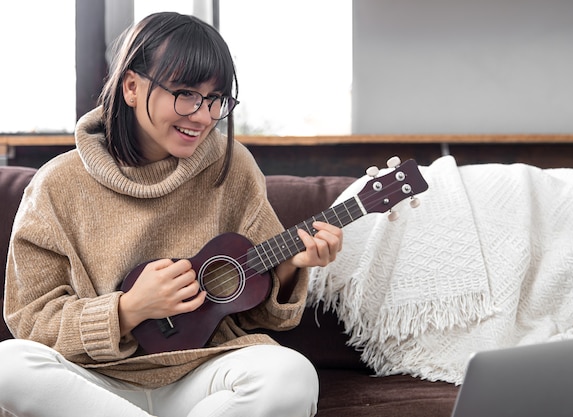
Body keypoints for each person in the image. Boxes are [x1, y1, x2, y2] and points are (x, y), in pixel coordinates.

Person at [0, 12, 342, 417]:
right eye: (185, 93)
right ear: (131, 86)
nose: (202, 116)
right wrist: (129, 310)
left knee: (291, 375)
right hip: (92, 383)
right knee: (8, 365)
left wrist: (290, 268)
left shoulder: (233, 168)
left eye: (216, 99)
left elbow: (259, 313)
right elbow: (31, 321)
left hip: (203, 373)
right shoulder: (57, 184)